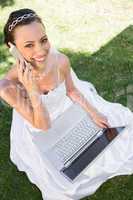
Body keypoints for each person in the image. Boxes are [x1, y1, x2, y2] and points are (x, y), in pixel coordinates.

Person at [0, 8, 133, 200]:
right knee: (62, 184)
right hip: (40, 124)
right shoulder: (7, 87)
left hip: (65, 109)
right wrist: (31, 89)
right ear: (12, 47)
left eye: (43, 40)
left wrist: (93, 112)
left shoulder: (60, 60)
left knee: (119, 136)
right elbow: (43, 125)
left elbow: (71, 90)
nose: (40, 51)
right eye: (29, 45)